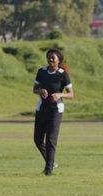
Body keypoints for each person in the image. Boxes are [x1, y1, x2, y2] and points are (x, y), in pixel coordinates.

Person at [33, 48, 74, 176]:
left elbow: (71, 94)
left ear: (59, 60)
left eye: (53, 58)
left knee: (51, 140)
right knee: (38, 139)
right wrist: (40, 91)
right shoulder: (41, 72)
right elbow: (34, 89)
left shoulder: (62, 74)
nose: (50, 59)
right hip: (41, 109)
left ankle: (48, 170)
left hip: (56, 110)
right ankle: (52, 162)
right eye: (49, 57)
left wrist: (59, 95)